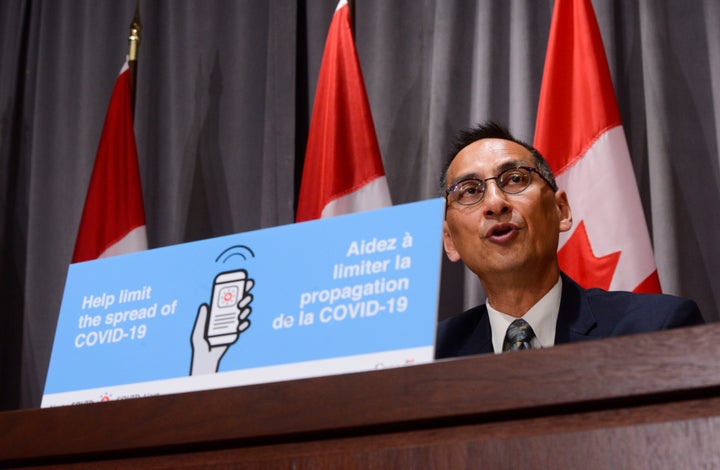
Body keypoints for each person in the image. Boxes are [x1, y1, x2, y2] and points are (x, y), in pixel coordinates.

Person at [435, 121, 704, 358]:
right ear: (450, 241)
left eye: (515, 179)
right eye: (469, 191)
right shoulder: (431, 355)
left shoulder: (656, 329)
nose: (495, 203)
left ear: (561, 210)